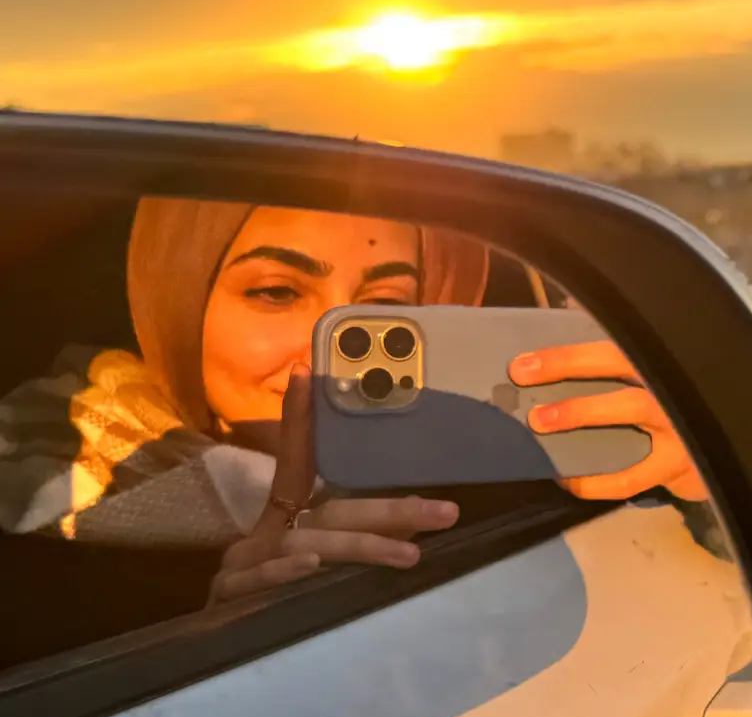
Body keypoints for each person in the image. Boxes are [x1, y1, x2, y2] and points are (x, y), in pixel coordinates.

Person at [0, 197, 707, 648]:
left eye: (386, 310)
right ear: (174, 306)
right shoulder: (40, 497)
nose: (326, 353)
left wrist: (702, 483)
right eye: (277, 291)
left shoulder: (509, 473)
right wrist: (220, 632)